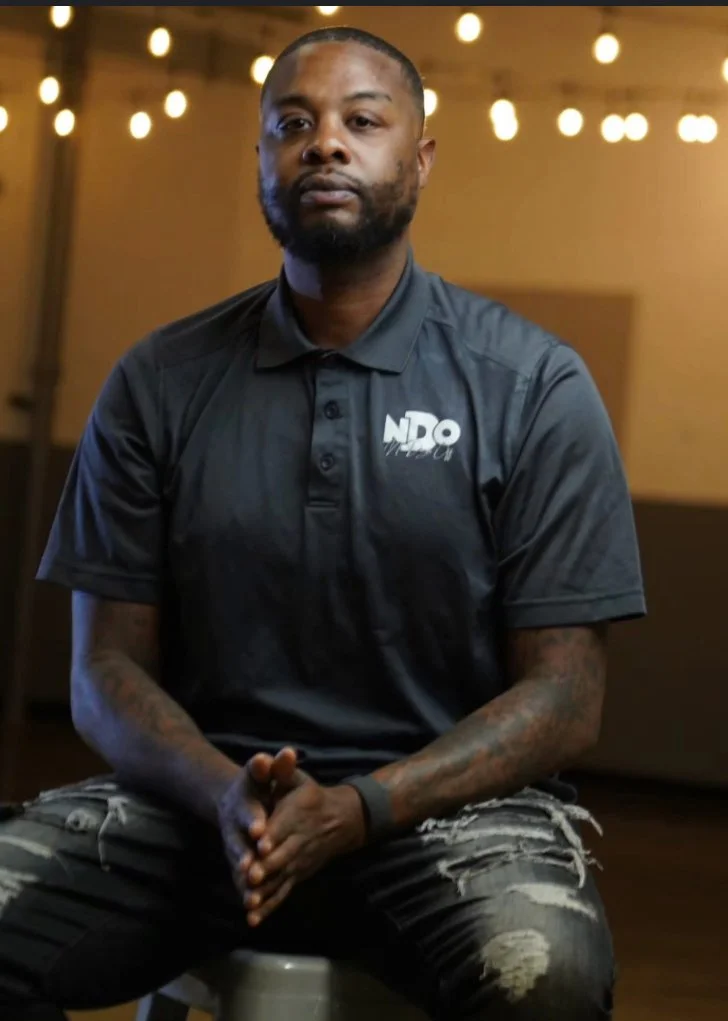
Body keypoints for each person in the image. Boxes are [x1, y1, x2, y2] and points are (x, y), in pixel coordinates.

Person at [0, 24, 645, 1021]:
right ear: (262, 158)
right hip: (203, 810)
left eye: (362, 121)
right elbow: (104, 670)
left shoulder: (531, 386)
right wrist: (223, 791)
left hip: (449, 818)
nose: (324, 143)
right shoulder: (159, 381)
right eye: (291, 124)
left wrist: (361, 806)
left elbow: (565, 697)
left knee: (546, 978)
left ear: (420, 159)